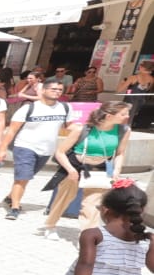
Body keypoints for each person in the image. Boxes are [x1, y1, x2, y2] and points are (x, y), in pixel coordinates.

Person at [40, 102, 132, 238]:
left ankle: (87, 237)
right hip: (75, 166)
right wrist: (71, 170)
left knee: (92, 205)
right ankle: (50, 225)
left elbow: (120, 153)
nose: (127, 116)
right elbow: (60, 152)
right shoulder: (82, 129)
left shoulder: (123, 130)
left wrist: (116, 170)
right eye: (123, 114)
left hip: (100, 169)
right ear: (108, 116)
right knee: (64, 198)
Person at [0, 79, 70, 221]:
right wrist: (2, 149)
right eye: (53, 89)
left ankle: (10, 197)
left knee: (25, 178)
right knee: (22, 177)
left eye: (60, 90)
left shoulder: (65, 108)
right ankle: (15, 208)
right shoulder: (29, 108)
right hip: (25, 146)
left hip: (46, 150)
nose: (57, 92)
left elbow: (71, 128)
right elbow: (11, 131)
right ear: (44, 90)